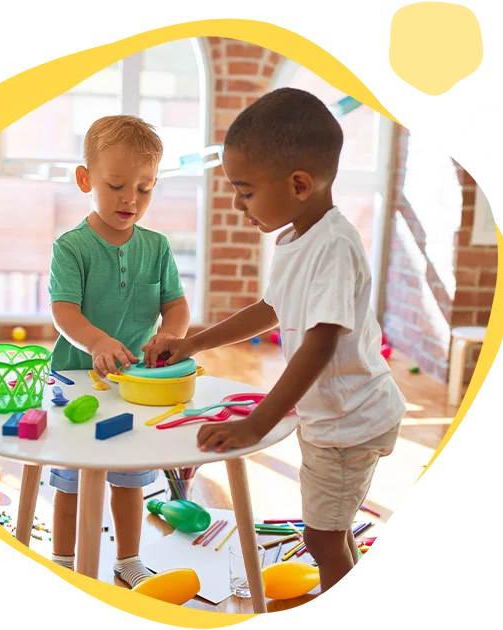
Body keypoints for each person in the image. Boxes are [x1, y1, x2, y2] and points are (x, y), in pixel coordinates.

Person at [146, 88, 406, 599]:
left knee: (322, 536)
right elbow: (270, 310)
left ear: (299, 184)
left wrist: (258, 421)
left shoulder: (332, 245)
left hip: (348, 423)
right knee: (332, 531)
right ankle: (349, 593)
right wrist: (194, 343)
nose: (238, 205)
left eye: (245, 191)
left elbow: (321, 341)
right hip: (332, 415)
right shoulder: (299, 237)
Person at [47, 115, 190, 587]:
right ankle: (65, 562)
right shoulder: (72, 247)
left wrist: (170, 334)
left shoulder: (157, 247)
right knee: (71, 482)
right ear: (86, 179)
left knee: (129, 480)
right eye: (116, 185)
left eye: (145, 189)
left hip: (134, 388)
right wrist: (98, 342)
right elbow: (64, 311)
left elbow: (176, 305)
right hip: (76, 381)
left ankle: (128, 562)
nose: (131, 198)